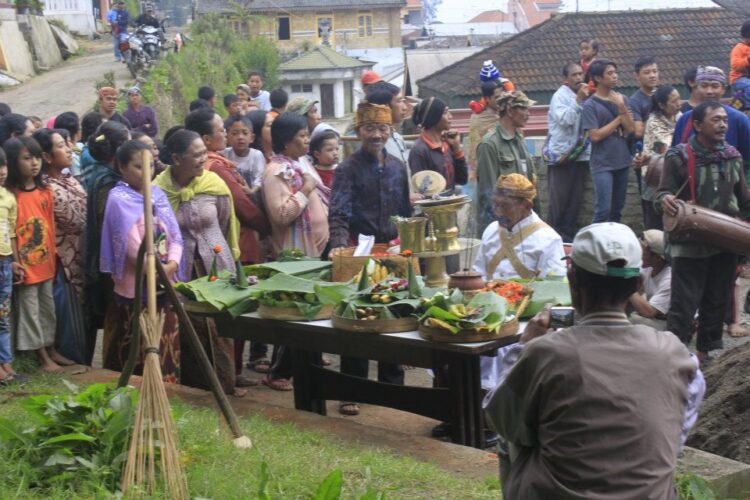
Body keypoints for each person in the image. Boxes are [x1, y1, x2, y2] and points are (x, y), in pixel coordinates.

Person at [484, 222, 704, 499]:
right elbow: (678, 432)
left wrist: (524, 346)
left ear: (572, 279)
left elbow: (498, 418)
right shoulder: (676, 354)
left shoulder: (546, 352)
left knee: (510, 437)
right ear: (637, 285)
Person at [328, 102, 411, 415]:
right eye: (370, 128)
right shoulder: (346, 169)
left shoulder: (397, 167)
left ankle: (393, 387)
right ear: (358, 131)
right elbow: (338, 212)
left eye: (382, 129)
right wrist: (338, 245)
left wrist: (409, 242)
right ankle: (353, 388)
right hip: (358, 251)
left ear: (390, 131)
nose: (376, 135)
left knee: (393, 314)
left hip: (391, 250)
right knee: (357, 319)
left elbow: (405, 211)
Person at [658, 101, 750, 362]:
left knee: (717, 298)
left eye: (725, 120)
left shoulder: (732, 156)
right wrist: (665, 200)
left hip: (725, 241)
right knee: (684, 301)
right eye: (716, 120)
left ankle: (705, 352)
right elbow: (662, 192)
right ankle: (674, 354)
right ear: (697, 125)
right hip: (689, 241)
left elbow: (743, 200)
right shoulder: (679, 156)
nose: (722, 125)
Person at [155, 129, 243, 396]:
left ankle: (225, 386)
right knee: (189, 328)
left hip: (215, 264)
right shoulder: (158, 192)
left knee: (219, 327)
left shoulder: (213, 184)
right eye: (196, 155)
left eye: (204, 153)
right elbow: (159, 233)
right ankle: (197, 390)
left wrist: (223, 253)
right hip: (181, 271)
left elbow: (227, 222)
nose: (203, 159)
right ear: (176, 159)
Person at [100, 140, 182, 381]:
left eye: (150, 165)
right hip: (136, 288)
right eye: (138, 166)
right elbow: (129, 243)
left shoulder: (157, 195)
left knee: (166, 343)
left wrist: (172, 264)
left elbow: (175, 235)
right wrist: (152, 268)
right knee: (135, 346)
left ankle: (167, 390)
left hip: (165, 283)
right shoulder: (118, 199)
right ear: (122, 168)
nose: (146, 172)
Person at [261, 112, 328, 391]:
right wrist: (306, 189)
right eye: (302, 136)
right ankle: (279, 371)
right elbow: (281, 214)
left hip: (309, 251)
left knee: (308, 311)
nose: (307, 139)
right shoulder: (277, 171)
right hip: (293, 253)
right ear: (287, 142)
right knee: (293, 312)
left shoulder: (298, 163)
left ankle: (307, 365)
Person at [5, 136, 73, 372]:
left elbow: (49, 225)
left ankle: (51, 348)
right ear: (13, 163)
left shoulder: (45, 192)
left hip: (45, 261)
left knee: (48, 308)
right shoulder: (11, 196)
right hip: (26, 264)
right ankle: (41, 356)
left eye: (36, 157)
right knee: (30, 310)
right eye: (26, 158)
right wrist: (15, 261)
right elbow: (11, 232)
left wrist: (54, 254)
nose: (34, 163)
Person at [34, 129, 87, 365]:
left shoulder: (68, 178)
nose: (68, 149)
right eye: (61, 146)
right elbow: (76, 219)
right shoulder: (47, 187)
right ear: (46, 156)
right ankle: (70, 357)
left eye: (67, 144)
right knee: (68, 316)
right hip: (62, 260)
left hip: (79, 256)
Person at [81, 121, 130, 363]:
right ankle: (110, 365)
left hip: (95, 255)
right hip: (108, 260)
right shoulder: (109, 184)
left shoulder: (93, 171)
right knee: (113, 314)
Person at [474, 173, 566, 282]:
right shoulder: (491, 230)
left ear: (527, 206)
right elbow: (478, 274)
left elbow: (554, 286)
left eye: (505, 206)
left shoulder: (548, 239)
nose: (498, 213)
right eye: (495, 204)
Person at [581, 58, 635, 223]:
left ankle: (613, 245)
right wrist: (618, 120)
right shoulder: (590, 105)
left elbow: (631, 128)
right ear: (598, 78)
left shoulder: (622, 99)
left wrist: (621, 107)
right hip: (602, 163)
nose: (614, 76)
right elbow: (595, 136)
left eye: (615, 72)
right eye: (610, 73)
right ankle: (595, 245)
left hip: (622, 160)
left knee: (617, 210)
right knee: (603, 210)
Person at [476, 90, 536, 236]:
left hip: (522, 218)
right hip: (503, 224)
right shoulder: (489, 144)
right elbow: (487, 192)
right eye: (523, 108)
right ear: (510, 111)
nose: (528, 114)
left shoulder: (519, 140)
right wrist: (498, 227)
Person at [672, 66, 750, 176]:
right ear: (696, 88)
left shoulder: (739, 119)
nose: (709, 91)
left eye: (715, 86)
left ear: (723, 89)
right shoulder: (685, 120)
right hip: (692, 188)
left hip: (729, 187)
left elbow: (748, 162)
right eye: (704, 86)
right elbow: (674, 159)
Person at [546, 62, 591, 242]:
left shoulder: (585, 95)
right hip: (562, 156)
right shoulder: (560, 97)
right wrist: (578, 100)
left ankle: (567, 237)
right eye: (574, 75)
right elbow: (565, 120)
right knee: (559, 200)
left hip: (579, 155)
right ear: (565, 79)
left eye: (581, 74)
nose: (579, 78)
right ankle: (553, 237)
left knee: (575, 200)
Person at [639, 85, 682, 230]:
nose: (678, 104)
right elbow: (667, 147)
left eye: (679, 99)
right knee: (654, 220)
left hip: (672, 173)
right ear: (662, 105)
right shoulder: (654, 121)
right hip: (654, 174)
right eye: (674, 101)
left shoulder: (679, 115)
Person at [365, 82, 414, 199]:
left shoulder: (397, 137)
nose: (405, 107)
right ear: (385, 107)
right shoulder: (374, 145)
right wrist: (407, 198)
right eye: (399, 101)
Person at [409, 97, 467, 194]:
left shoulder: (447, 144)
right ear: (434, 117)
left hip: (450, 205)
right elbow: (422, 190)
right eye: (445, 112)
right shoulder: (419, 151)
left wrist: (456, 149)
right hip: (434, 208)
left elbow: (462, 179)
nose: (450, 116)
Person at [0, 148, 23, 383]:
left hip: (5, 263)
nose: (2, 171)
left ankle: (6, 363)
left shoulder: (8, 197)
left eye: (4, 165)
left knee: (3, 315)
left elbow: (12, 232)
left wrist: (15, 261)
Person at [629, 229, 671, 331]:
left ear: (657, 258)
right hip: (655, 318)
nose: (637, 255)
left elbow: (649, 312)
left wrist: (627, 287)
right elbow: (626, 272)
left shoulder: (670, 279)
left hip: (670, 323)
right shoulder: (647, 266)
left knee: (633, 321)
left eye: (642, 253)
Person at [467, 80, 504, 176]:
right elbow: (474, 148)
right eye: (497, 97)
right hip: (486, 168)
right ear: (487, 98)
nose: (501, 100)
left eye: (503, 96)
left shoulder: (504, 113)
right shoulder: (478, 119)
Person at [223, 114, 266, 194]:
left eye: (245, 133)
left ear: (252, 138)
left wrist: (251, 191)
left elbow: (260, 178)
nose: (240, 137)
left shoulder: (257, 155)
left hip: (253, 197)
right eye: (235, 133)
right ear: (227, 138)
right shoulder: (225, 154)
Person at [630, 56, 660, 138]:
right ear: (637, 76)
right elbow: (638, 132)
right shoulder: (634, 101)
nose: (652, 75)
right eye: (647, 72)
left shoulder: (665, 94)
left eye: (655, 71)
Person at [53, 112, 82, 178]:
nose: (68, 150)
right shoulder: (72, 157)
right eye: (80, 127)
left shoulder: (80, 145)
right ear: (77, 131)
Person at [730, 20, 750, 111]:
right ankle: (748, 107)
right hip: (738, 79)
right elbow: (735, 65)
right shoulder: (739, 48)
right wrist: (747, 61)